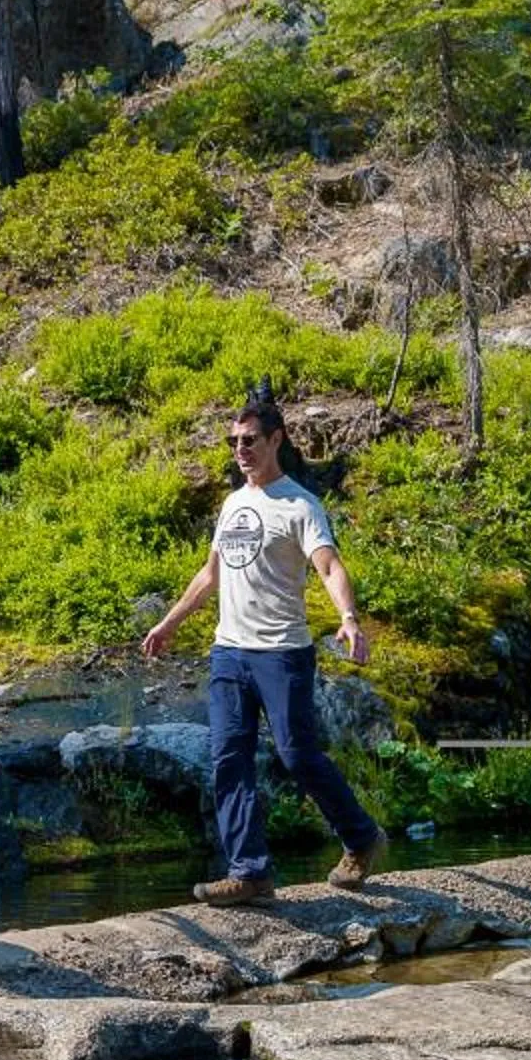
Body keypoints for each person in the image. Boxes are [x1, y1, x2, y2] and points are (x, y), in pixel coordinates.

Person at [140, 385, 386, 906]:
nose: (240, 450)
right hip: (229, 653)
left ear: (276, 440)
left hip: (281, 653)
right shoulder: (233, 503)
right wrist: (169, 623)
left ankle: (361, 838)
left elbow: (329, 566)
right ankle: (249, 872)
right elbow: (209, 576)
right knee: (228, 758)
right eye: (233, 441)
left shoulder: (301, 505)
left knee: (298, 757)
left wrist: (348, 617)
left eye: (250, 440)